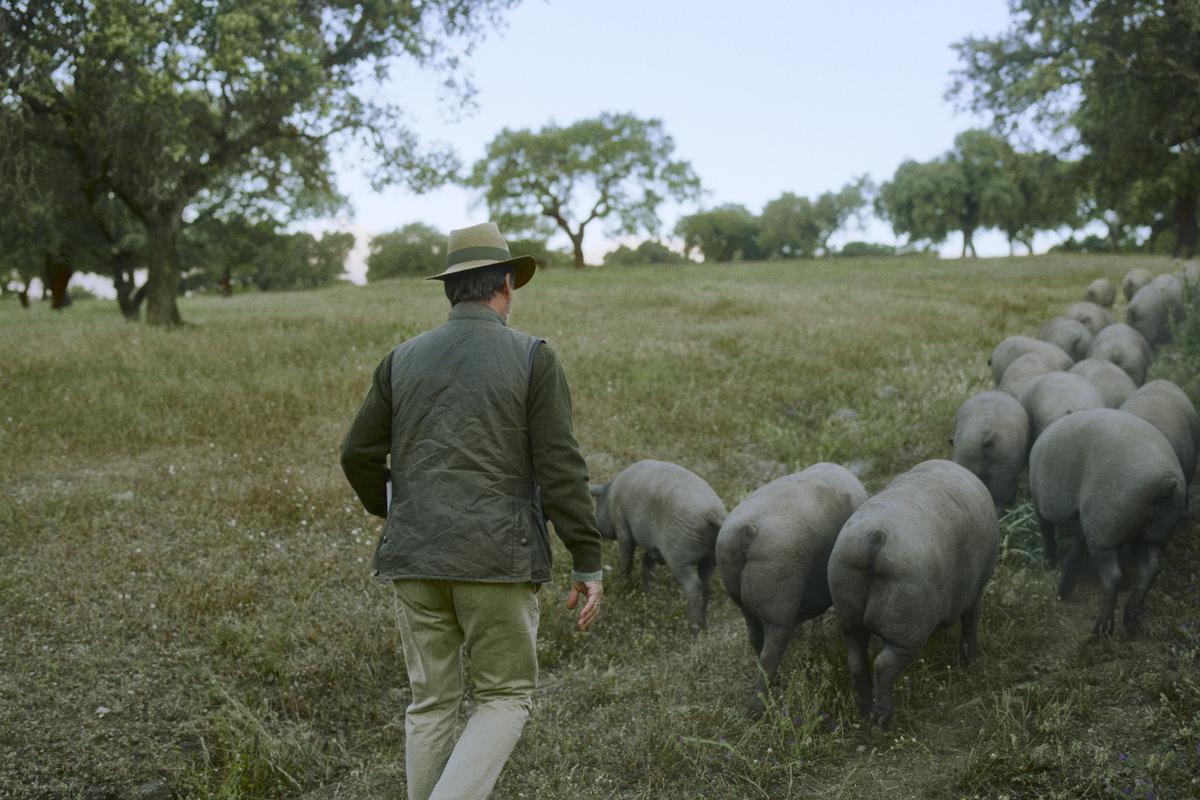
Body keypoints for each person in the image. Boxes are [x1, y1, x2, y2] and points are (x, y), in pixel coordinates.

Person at [339, 221, 604, 800]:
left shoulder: (400, 357)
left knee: (431, 701)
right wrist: (588, 559)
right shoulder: (534, 357)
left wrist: (397, 510)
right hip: (497, 559)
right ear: (506, 286)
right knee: (505, 697)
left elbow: (356, 454)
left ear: (450, 289)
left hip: (413, 555)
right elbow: (561, 470)